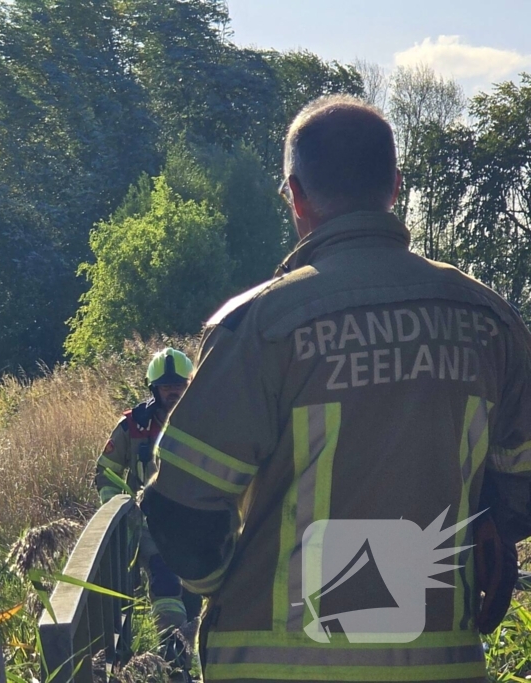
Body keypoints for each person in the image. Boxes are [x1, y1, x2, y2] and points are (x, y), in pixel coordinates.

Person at [142, 94, 531, 683]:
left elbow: (180, 510)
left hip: (277, 667)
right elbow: (520, 493)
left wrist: (237, 583)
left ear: (294, 195)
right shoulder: (493, 323)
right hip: (440, 664)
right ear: (395, 186)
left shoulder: (266, 326)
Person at [96, 347, 203, 679]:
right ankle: (174, 662)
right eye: (166, 386)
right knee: (165, 584)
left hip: (198, 524)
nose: (173, 392)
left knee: (194, 594)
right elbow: (105, 473)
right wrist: (122, 513)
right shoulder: (133, 426)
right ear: (154, 389)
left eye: (179, 386)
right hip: (151, 525)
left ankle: (188, 653)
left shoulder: (205, 421)